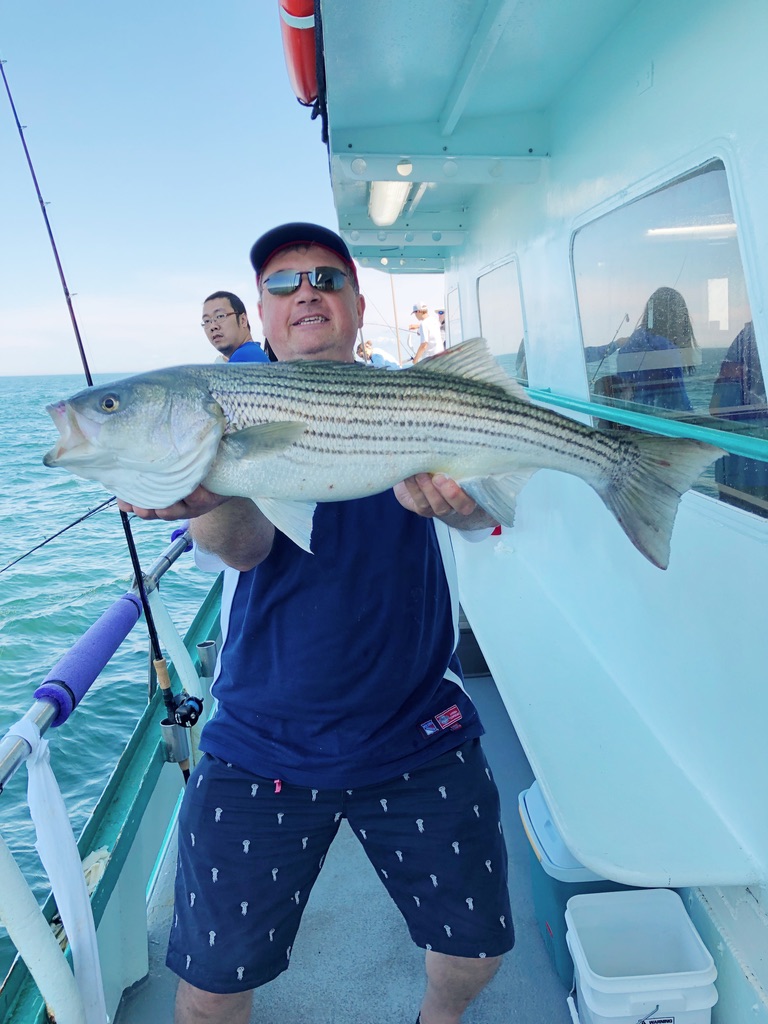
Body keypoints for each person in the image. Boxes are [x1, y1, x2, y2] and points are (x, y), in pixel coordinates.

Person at [118, 222, 513, 1024]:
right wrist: (218, 491)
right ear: (262, 317)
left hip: (417, 725)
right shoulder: (229, 405)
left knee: (475, 953)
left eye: (328, 280)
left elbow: (479, 521)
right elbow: (248, 550)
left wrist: (470, 506)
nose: (307, 292)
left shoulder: (412, 394)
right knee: (209, 987)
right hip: (261, 736)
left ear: (358, 307)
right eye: (283, 282)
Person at [709, 321, 768, 513]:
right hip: (750, 468)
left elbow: (716, 408)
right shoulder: (749, 338)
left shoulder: (745, 339)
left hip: (737, 468)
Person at [615, 286, 698, 411]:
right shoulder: (668, 352)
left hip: (632, 422)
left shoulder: (629, 346)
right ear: (676, 319)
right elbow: (681, 407)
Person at [201, 290, 269, 363]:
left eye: (220, 316)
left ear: (243, 320)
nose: (213, 326)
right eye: (207, 321)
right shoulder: (254, 353)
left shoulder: (242, 357)